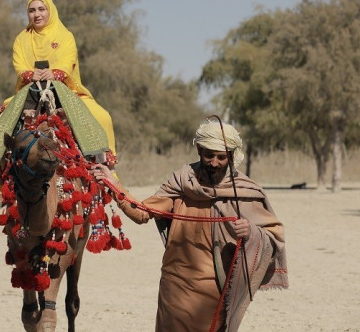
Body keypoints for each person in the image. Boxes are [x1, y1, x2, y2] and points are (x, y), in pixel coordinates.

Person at [92, 120, 288, 332]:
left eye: (221, 157)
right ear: (199, 150)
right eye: (209, 155)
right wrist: (112, 183)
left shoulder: (244, 191)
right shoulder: (182, 182)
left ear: (231, 157)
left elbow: (274, 235)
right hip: (174, 286)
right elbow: (141, 212)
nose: (214, 162)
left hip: (215, 289)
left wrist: (251, 232)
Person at [0, 0, 117, 159]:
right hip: (29, 91)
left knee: (104, 118)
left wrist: (54, 73)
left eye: (41, 9)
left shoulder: (65, 36)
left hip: (67, 90)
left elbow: (68, 61)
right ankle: (4, 180)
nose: (37, 14)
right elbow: (19, 64)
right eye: (32, 10)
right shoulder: (21, 39)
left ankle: (109, 169)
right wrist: (31, 74)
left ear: (50, 11)